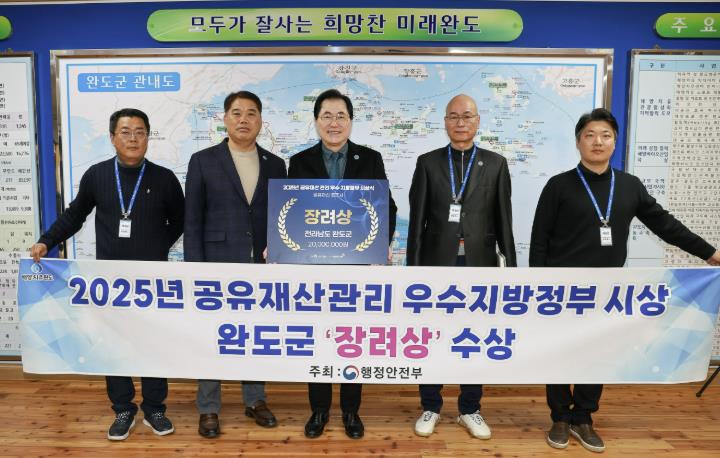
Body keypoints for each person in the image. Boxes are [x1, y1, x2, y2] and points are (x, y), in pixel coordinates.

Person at [529, 107, 720, 453]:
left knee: (597, 353)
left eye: (605, 135)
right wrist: (539, 286)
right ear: (578, 142)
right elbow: (539, 240)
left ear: (615, 143)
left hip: (608, 291)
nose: (597, 141)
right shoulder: (558, 185)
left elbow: (666, 225)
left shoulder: (630, 186)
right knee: (560, 352)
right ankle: (559, 417)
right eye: (590, 135)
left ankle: (583, 418)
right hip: (561, 289)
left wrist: (710, 253)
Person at [30, 108, 184, 441]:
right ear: (112, 137)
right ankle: (123, 410)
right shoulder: (97, 175)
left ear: (148, 137)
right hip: (110, 280)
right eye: (126, 132)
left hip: (152, 280)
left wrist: (157, 246)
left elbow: (180, 220)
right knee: (113, 344)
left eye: (140, 132)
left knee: (153, 344)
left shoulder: (164, 178)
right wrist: (46, 241)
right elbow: (75, 215)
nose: (133, 138)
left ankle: (155, 409)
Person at [288, 88, 397, 439]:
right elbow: (291, 211)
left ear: (350, 121)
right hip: (315, 269)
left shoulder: (370, 158)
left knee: (353, 338)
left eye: (341, 116)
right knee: (319, 338)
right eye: (327, 116)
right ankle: (319, 410)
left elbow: (387, 207)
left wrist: (380, 246)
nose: (334, 123)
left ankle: (351, 411)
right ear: (316, 121)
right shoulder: (299, 162)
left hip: (358, 268)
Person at [407, 94, 516, 440]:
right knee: (432, 334)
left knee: (474, 336)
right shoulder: (428, 163)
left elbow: (504, 221)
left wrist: (512, 271)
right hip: (436, 264)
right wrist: (413, 272)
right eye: (453, 116)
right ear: (445, 122)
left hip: (479, 265)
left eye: (467, 116)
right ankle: (431, 405)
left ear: (477, 121)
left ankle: (470, 408)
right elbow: (417, 224)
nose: (460, 122)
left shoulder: (496, 164)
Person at [184, 90, 286, 438]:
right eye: (237, 112)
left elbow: (281, 217)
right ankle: (208, 407)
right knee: (212, 335)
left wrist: (279, 251)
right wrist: (195, 269)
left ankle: (255, 399)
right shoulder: (203, 160)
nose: (244, 119)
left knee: (253, 333)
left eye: (252, 113)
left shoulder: (276, 164)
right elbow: (192, 220)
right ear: (225, 119)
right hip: (215, 264)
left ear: (261, 121)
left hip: (260, 266)